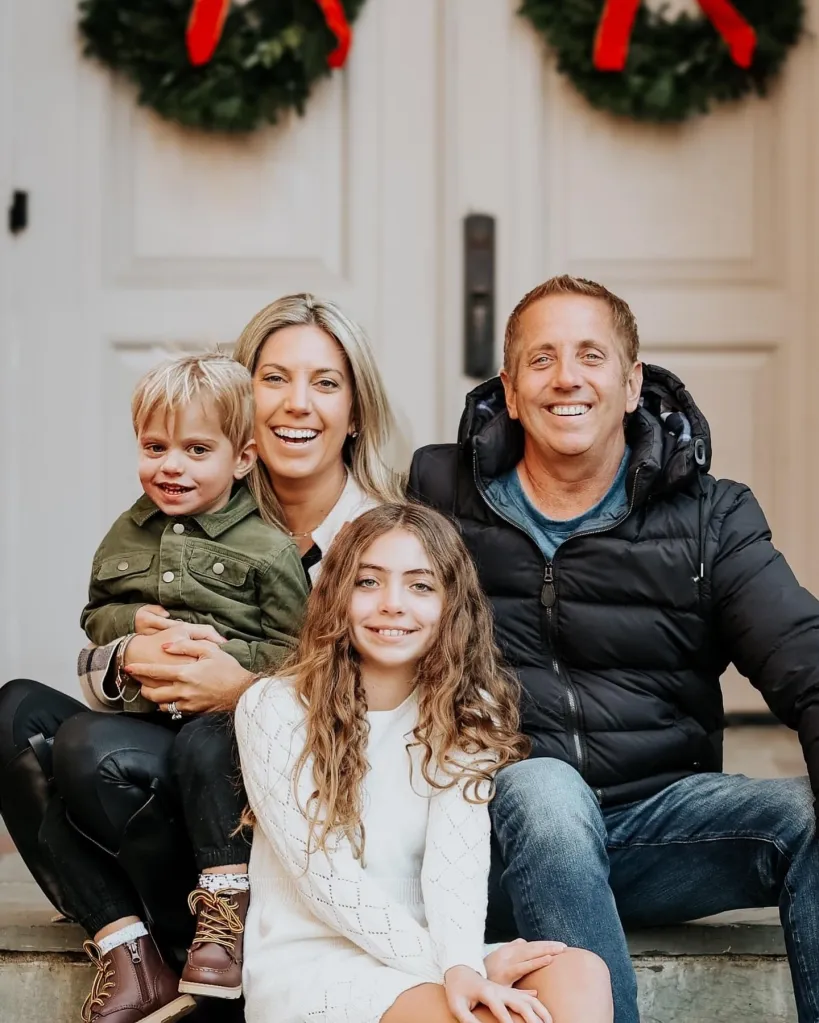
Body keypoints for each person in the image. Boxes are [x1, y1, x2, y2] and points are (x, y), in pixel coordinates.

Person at [408, 274, 819, 1023]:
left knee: (811, 817)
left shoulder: (709, 517)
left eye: (590, 356)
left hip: (657, 822)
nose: (567, 378)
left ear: (631, 384)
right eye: (542, 359)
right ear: (507, 387)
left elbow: (805, 661)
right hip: (494, 839)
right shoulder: (442, 499)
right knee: (543, 785)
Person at [0, 294, 402, 1023]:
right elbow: (95, 642)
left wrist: (247, 688)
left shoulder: (384, 539)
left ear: (355, 408)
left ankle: (217, 934)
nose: (295, 403)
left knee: (98, 752)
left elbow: (388, 708)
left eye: (324, 381)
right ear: (236, 403)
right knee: (16, 715)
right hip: (166, 740)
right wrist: (130, 649)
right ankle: (126, 941)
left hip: (279, 803)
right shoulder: (169, 515)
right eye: (273, 378)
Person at [235, 502, 612, 1023]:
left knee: (580, 970)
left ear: (451, 604)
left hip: (432, 955)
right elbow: (326, 880)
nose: (392, 605)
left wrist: (461, 962)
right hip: (318, 962)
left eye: (420, 585)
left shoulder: (467, 709)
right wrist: (454, 970)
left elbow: (454, 868)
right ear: (337, 593)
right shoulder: (274, 707)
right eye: (368, 582)